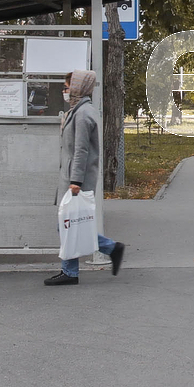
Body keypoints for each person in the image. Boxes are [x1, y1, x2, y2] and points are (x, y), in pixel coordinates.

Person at [44, 70, 126, 285]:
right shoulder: (78, 110)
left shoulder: (83, 113)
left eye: (68, 85)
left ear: (79, 86)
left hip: (76, 180)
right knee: (69, 224)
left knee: (67, 224)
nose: (66, 90)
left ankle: (73, 270)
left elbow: (81, 150)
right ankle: (107, 250)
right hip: (71, 177)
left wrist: (76, 182)